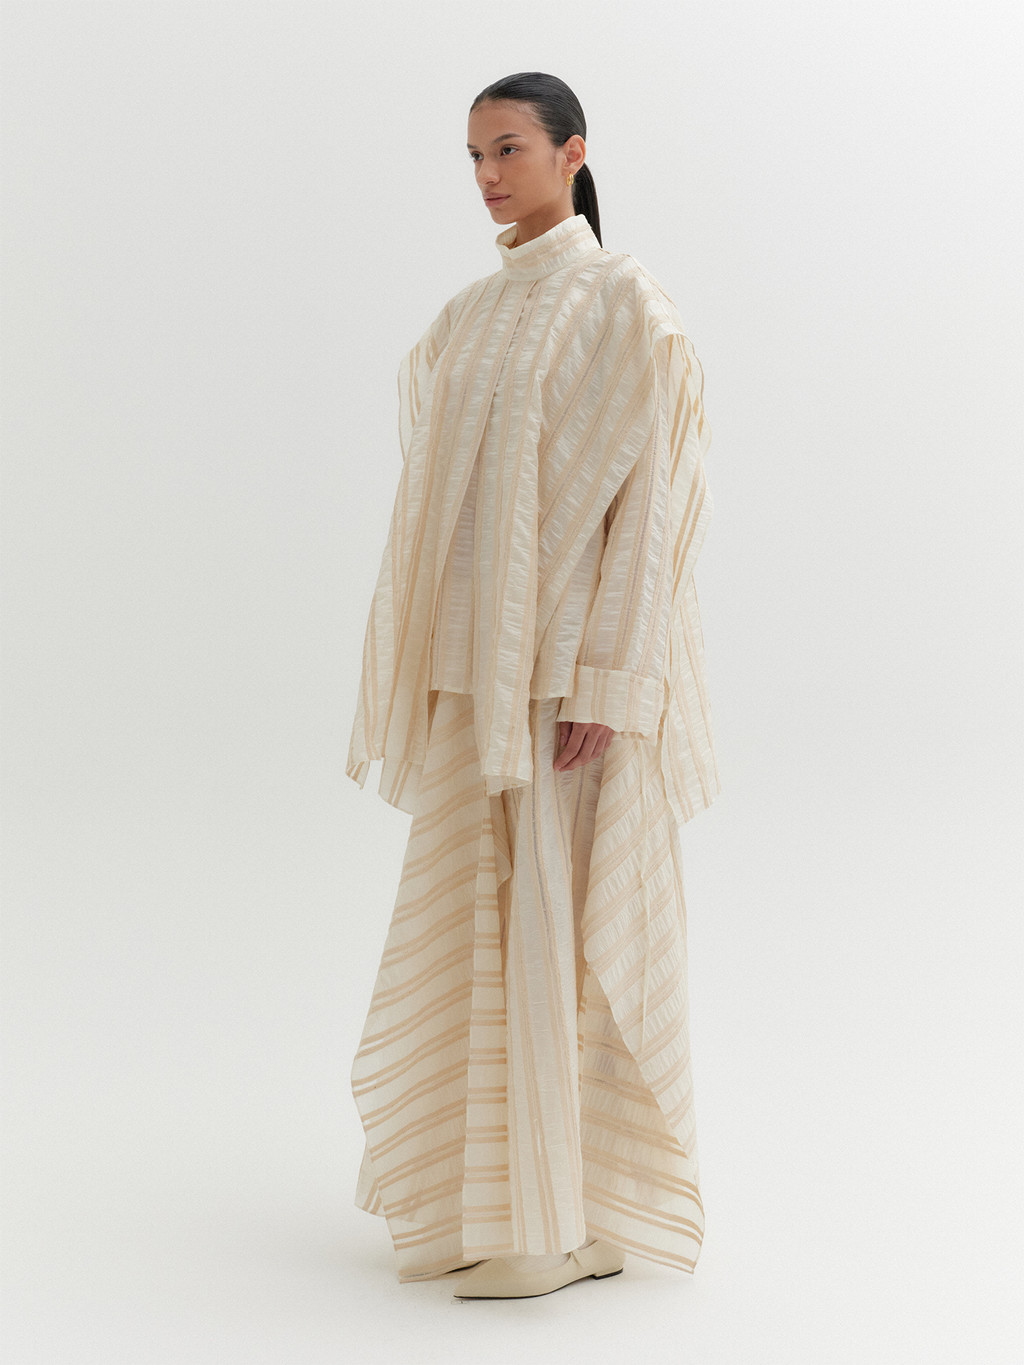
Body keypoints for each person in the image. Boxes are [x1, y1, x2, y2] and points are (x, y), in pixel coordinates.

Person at [345, 71, 721, 1300]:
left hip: (567, 682)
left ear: (573, 152)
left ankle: (568, 1220)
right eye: (473, 155)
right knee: (482, 923)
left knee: (563, 926)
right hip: (478, 673)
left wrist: (613, 675)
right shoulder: (469, 313)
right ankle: (500, 1198)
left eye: (507, 148)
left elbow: (652, 506)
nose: (486, 175)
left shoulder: (624, 304)